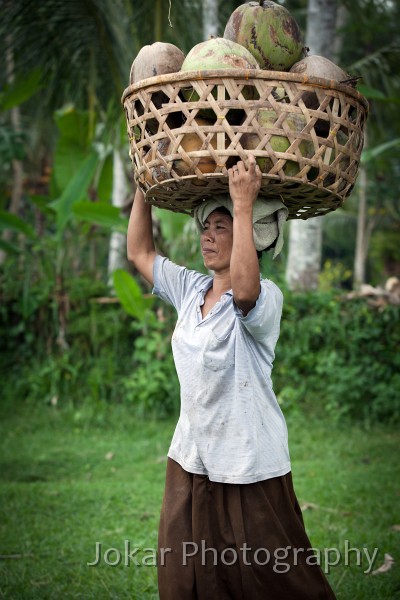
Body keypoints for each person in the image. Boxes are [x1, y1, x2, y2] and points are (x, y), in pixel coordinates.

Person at [127, 155, 336, 600]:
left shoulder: (265, 300)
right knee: (189, 575)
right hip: (192, 456)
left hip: (249, 463)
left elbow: (244, 291)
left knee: (270, 577)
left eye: (220, 228)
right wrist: (143, 189)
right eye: (207, 226)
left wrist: (243, 204)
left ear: (252, 237)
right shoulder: (190, 289)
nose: (208, 235)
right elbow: (139, 253)